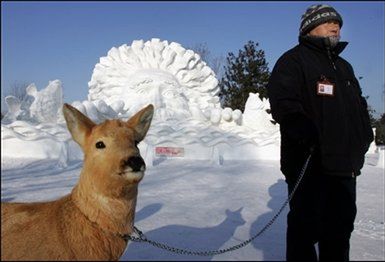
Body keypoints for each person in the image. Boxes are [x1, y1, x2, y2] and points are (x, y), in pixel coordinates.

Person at [267, 4, 374, 261]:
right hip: (309, 166)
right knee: (304, 234)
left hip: (344, 169)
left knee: (339, 234)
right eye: (329, 22)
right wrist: (302, 130)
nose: (336, 26)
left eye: (338, 23)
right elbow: (284, 102)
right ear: (311, 27)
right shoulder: (292, 61)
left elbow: (359, 107)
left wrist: (363, 138)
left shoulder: (344, 67)